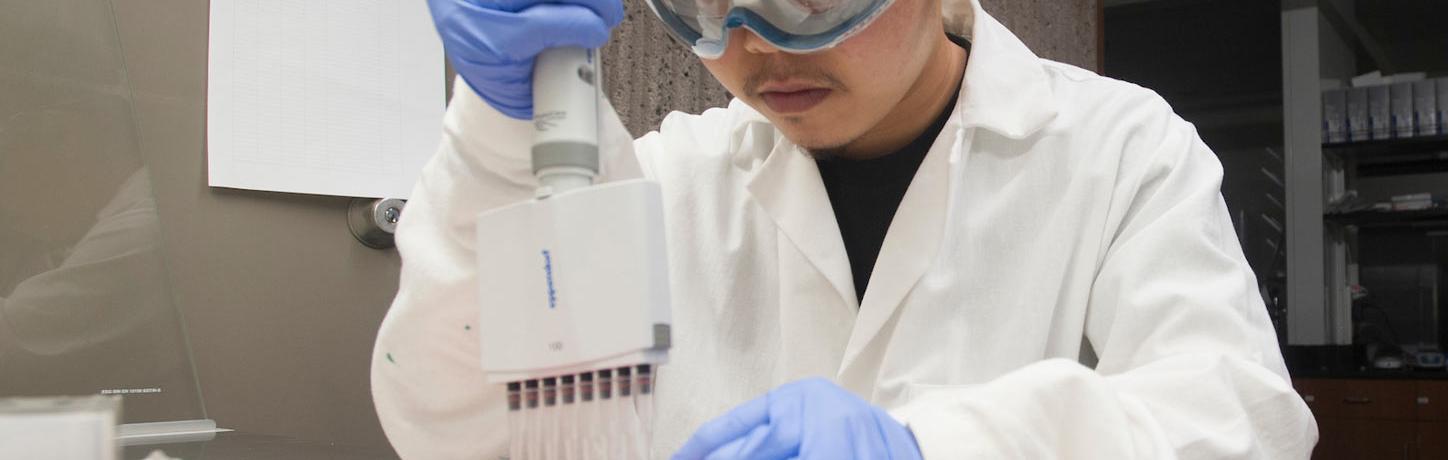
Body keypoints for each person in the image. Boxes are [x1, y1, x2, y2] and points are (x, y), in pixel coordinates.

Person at [372, 0, 1316, 458]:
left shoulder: (1120, 151)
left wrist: (933, 454)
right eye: (703, 5)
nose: (751, 48)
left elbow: (1238, 423)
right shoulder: (672, 180)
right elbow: (465, 432)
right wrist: (500, 130)